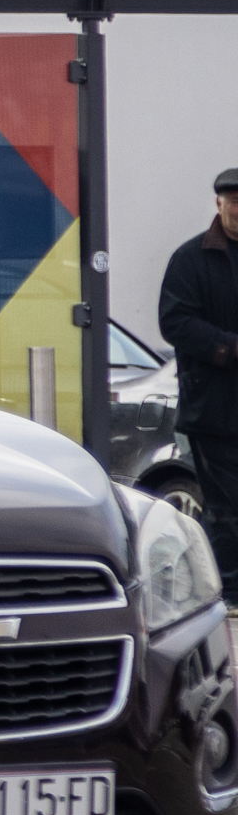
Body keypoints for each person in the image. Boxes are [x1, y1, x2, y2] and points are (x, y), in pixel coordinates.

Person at [157, 168, 238, 580]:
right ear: (218, 204)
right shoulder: (191, 258)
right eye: (233, 201)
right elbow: (175, 322)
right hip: (214, 410)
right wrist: (229, 348)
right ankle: (225, 589)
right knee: (227, 506)